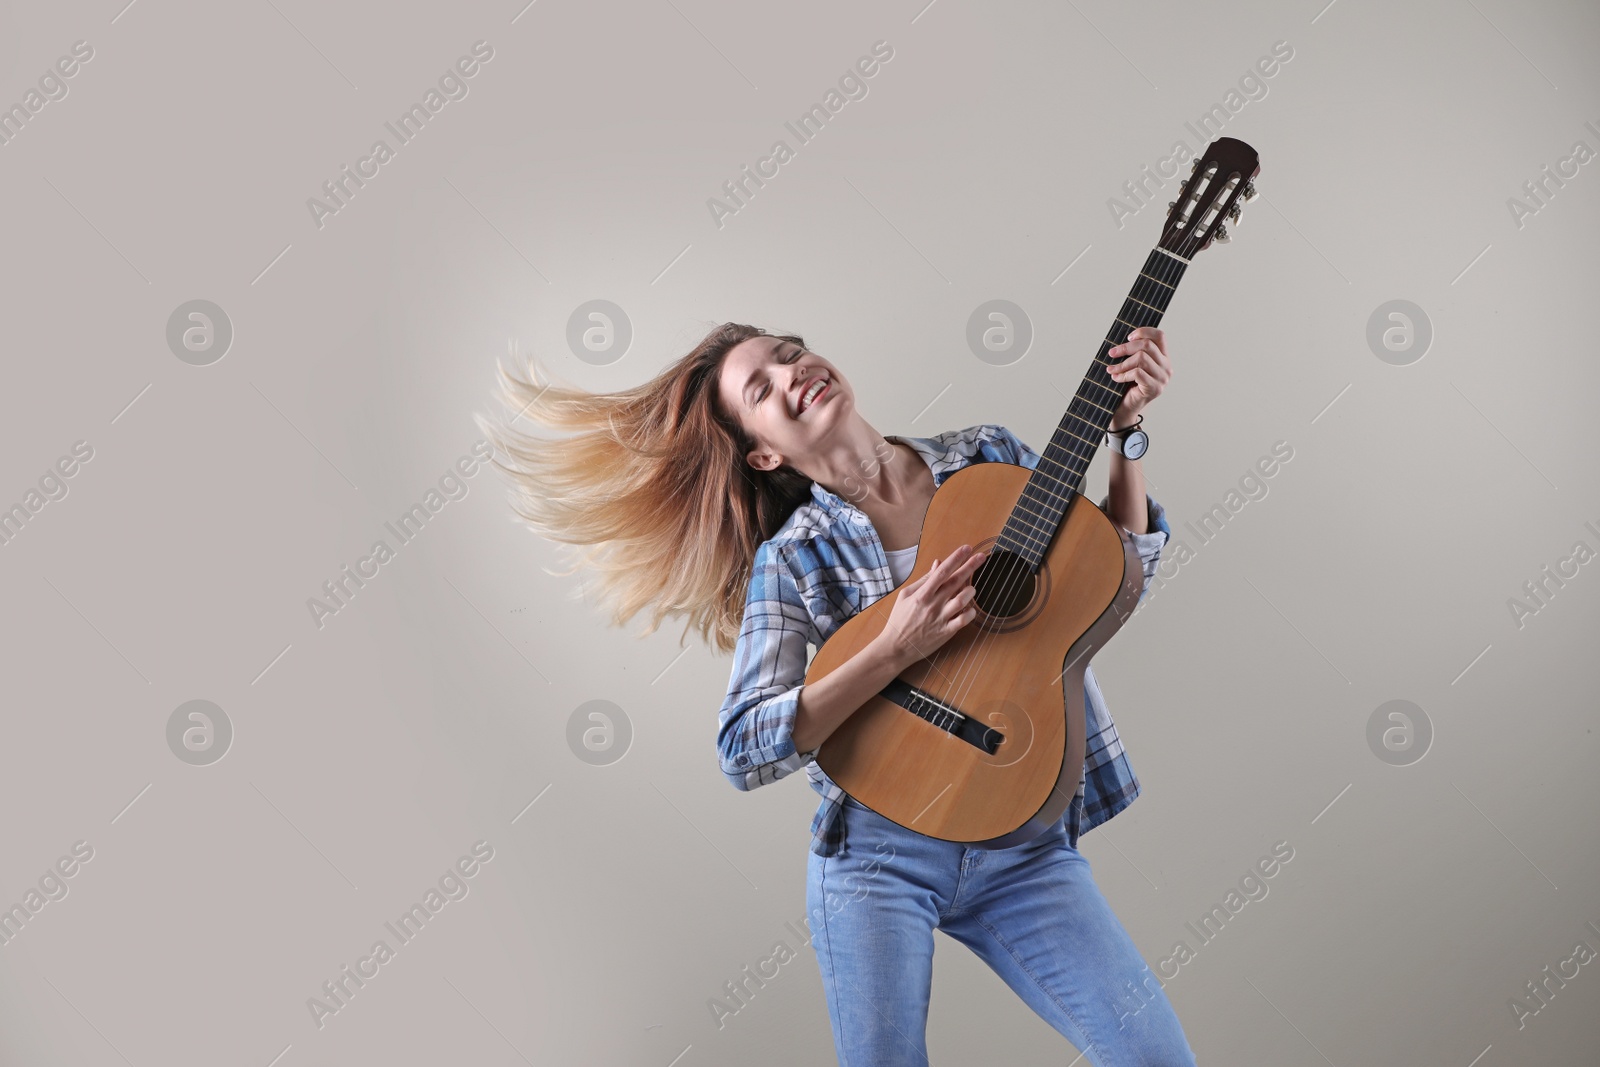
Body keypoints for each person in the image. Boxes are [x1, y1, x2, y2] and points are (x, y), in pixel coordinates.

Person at [477, 322, 1197, 1066]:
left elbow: (1118, 572)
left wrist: (1127, 436)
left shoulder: (990, 456)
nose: (792, 373)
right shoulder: (794, 558)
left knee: (1157, 1056)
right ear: (762, 451)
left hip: (1020, 841)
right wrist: (894, 646)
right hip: (878, 856)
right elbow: (743, 747)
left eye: (790, 354)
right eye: (762, 387)